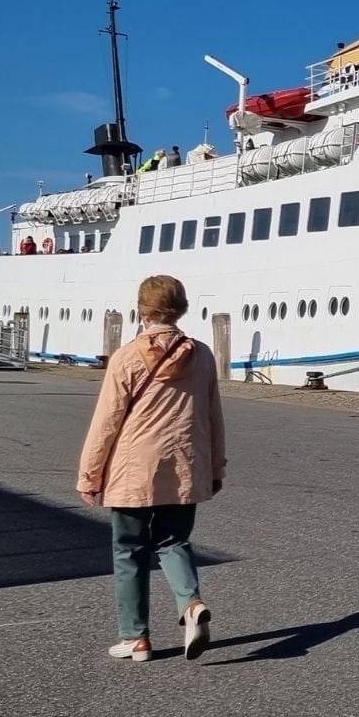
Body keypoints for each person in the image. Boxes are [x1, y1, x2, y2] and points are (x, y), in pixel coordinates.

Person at [77, 274, 226, 663]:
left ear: (141, 309)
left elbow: (106, 421)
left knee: (129, 549)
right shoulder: (203, 355)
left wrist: (90, 475)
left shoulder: (126, 357)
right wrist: (215, 466)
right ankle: (191, 604)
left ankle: (135, 638)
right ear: (182, 308)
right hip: (185, 464)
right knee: (173, 541)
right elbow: (213, 416)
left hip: (133, 469)